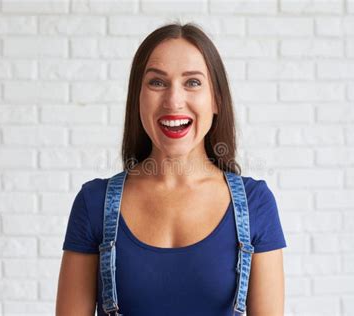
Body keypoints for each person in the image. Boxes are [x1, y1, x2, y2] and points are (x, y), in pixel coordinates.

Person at [56, 22, 287, 316]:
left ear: (216, 99)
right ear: (137, 98)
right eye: (157, 82)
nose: (174, 101)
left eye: (192, 82)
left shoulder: (256, 204)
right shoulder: (94, 203)